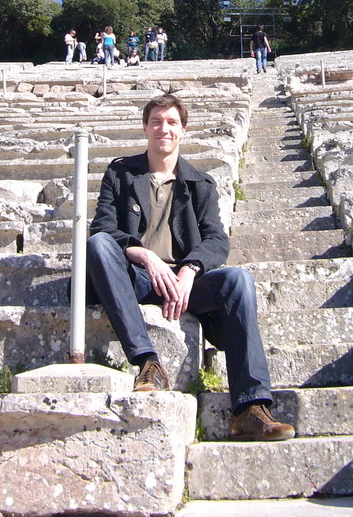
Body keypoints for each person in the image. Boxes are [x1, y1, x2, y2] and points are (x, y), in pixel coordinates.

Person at [86, 94, 295, 442]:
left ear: (183, 130)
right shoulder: (120, 173)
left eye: (171, 122)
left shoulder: (201, 184)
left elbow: (216, 241)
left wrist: (189, 270)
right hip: (133, 276)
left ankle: (250, 408)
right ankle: (148, 363)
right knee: (98, 246)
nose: (163, 128)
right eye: (156, 121)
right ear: (145, 128)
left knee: (238, 279)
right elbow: (103, 227)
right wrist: (145, 256)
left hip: (182, 283)